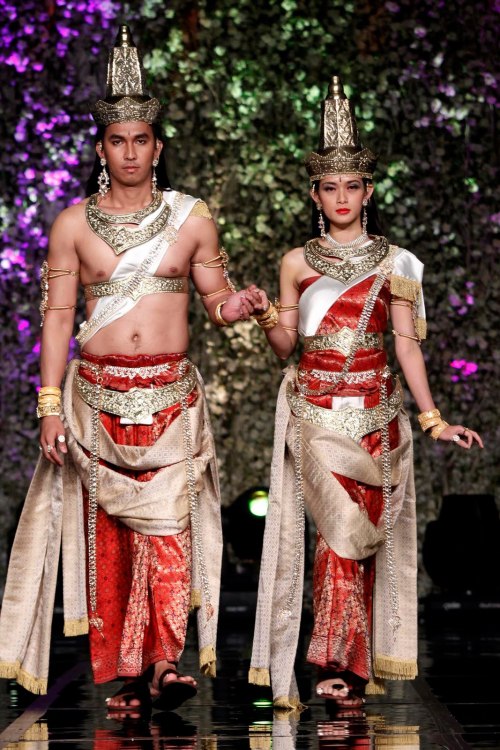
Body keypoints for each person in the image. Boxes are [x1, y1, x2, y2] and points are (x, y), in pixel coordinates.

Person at [0, 25, 261, 714]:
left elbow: (217, 303)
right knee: (111, 541)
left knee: (171, 530)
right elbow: (58, 317)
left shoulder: (192, 219)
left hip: (172, 398)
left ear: (157, 147)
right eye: (117, 141)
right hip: (96, 400)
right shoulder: (72, 226)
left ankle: (166, 662)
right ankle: (125, 674)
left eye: (141, 140)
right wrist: (49, 406)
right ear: (101, 149)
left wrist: (246, 304)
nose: (130, 152)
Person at [248, 76, 483, 710]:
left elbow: (406, 345)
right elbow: (284, 347)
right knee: (333, 542)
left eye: (352, 186)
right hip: (317, 416)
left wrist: (433, 420)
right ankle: (334, 662)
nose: (342, 196)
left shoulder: (397, 263)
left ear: (368, 191)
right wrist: (263, 313)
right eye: (330, 186)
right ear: (315, 193)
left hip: (377, 420)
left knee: (361, 544)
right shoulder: (296, 262)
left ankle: (353, 661)